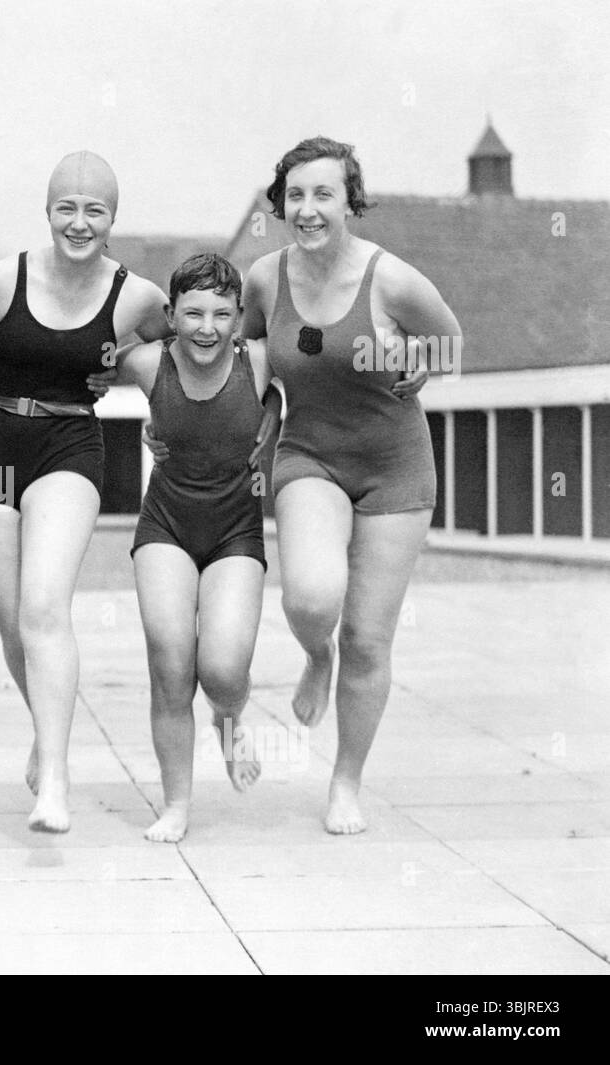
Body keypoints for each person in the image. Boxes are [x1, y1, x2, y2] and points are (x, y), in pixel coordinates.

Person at [241, 136, 454, 834]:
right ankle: (313, 655)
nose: (307, 209)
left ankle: (346, 780)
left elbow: (449, 340)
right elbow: (248, 356)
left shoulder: (390, 279)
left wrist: (421, 360)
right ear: (281, 202)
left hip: (396, 465)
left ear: (348, 200)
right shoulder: (265, 279)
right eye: (294, 195)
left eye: (322, 194)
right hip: (310, 454)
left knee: (368, 636)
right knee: (310, 595)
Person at [0, 151, 169, 833]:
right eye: (66, 208)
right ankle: (45, 737)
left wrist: (127, 376)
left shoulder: (136, 296)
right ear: (47, 211)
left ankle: (55, 776)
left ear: (113, 218)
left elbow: (183, 352)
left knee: (45, 605)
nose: (79, 223)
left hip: (71, 442)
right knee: (14, 618)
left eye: (95, 210)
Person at [115, 253, 280, 843]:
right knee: (170, 662)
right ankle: (177, 803)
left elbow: (320, 376)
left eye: (221, 314)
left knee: (223, 668)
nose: (206, 326)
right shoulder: (144, 363)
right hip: (166, 525)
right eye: (192, 313)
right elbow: (75, 351)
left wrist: (276, 413)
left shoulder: (259, 364)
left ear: (239, 320)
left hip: (236, 530)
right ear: (170, 315)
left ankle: (229, 719)